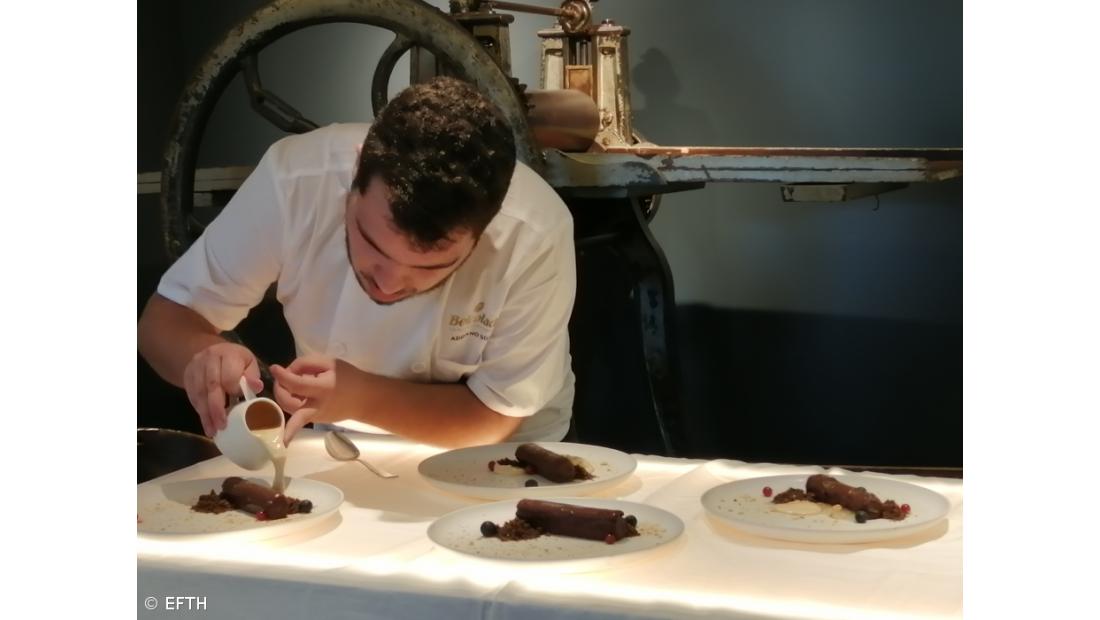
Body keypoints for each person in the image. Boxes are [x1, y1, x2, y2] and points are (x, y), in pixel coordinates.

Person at [138, 76, 576, 448]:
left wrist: (361, 397)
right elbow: (164, 323)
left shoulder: (534, 232)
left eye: (430, 269)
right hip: (339, 443)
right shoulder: (295, 182)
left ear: (485, 231)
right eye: (372, 244)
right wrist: (205, 355)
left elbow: (496, 415)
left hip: (500, 455)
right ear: (354, 175)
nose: (388, 283)